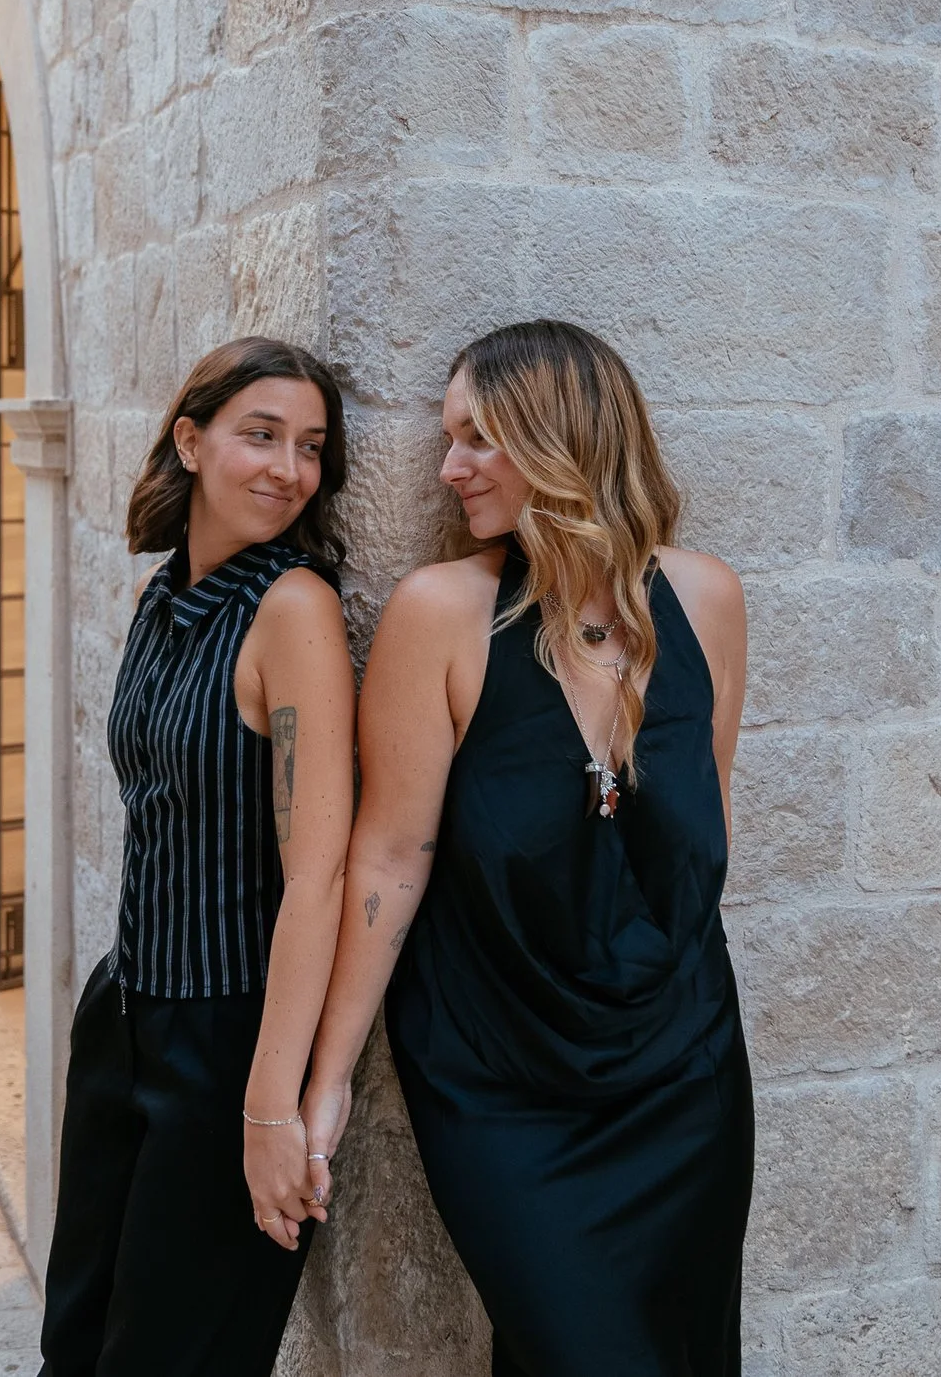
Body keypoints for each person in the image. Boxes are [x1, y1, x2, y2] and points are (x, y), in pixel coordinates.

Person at [303, 319, 754, 1376]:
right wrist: (325, 1073)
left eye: (476, 436)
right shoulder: (442, 612)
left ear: (561, 438)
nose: (449, 467)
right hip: (501, 1081)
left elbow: (704, 832)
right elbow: (388, 858)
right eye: (447, 438)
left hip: (682, 1076)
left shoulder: (707, 599)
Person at [41, 337, 356, 1377]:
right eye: (260, 433)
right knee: (74, 1342)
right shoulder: (158, 600)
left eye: (309, 446)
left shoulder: (293, 609)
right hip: (123, 1013)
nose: (286, 467)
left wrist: (270, 1105)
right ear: (191, 440)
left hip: (227, 1039)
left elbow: (318, 874)